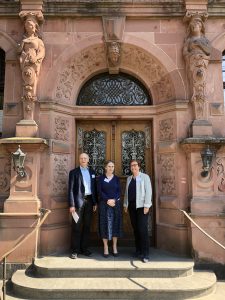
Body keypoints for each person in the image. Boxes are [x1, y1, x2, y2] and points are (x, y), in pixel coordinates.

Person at [68, 153, 97, 259]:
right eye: (81, 158)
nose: (83, 160)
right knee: (76, 226)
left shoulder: (92, 172)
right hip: (77, 202)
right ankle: (75, 250)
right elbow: (70, 189)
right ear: (79, 160)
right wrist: (71, 204)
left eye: (85, 158)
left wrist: (95, 202)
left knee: (87, 226)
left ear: (88, 160)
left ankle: (84, 249)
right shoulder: (74, 172)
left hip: (89, 201)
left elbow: (94, 188)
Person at [124, 159, 152, 263]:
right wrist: (125, 204)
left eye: (135, 165)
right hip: (132, 207)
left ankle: (145, 254)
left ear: (139, 166)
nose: (133, 167)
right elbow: (127, 193)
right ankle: (138, 250)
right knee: (135, 229)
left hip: (142, 207)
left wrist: (147, 205)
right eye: (131, 165)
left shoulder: (145, 177)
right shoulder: (129, 179)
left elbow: (148, 191)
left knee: (142, 230)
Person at [97, 160, 122, 257]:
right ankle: (106, 247)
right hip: (104, 204)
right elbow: (99, 191)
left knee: (115, 224)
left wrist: (114, 200)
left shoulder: (116, 179)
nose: (111, 168)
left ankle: (114, 246)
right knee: (104, 225)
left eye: (112, 166)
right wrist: (107, 200)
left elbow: (119, 191)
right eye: (109, 166)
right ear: (105, 168)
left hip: (115, 204)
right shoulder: (101, 178)